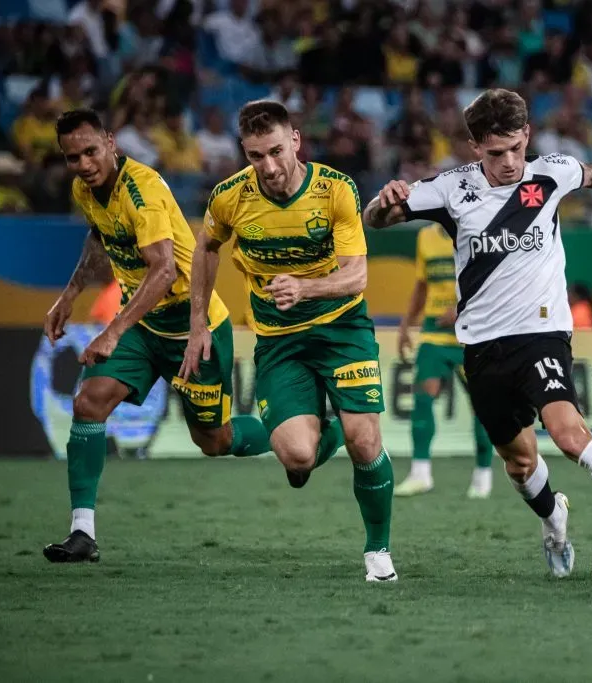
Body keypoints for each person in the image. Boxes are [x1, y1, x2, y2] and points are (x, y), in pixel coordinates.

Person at [363, 88, 592, 583]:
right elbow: (375, 220)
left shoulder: (551, 172)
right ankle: (554, 520)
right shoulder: (450, 189)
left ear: (527, 135)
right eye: (494, 152)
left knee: (570, 435)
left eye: (515, 148)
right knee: (521, 464)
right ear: (474, 147)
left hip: (543, 332)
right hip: (482, 347)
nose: (508, 162)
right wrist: (385, 200)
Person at [42, 109, 272, 564]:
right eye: (73, 158)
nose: (84, 164)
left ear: (110, 141)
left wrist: (110, 332)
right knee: (89, 402)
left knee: (214, 441)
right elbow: (99, 235)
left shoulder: (140, 189)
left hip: (194, 326)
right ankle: (82, 532)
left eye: (91, 151)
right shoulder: (85, 190)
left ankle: (294, 430)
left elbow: (164, 270)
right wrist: (68, 296)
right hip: (144, 325)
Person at [181, 100, 395, 582]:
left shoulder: (336, 190)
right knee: (298, 456)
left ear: (296, 140)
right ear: (245, 152)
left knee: (367, 442)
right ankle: (327, 428)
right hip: (279, 340)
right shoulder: (229, 197)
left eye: (276, 150)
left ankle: (378, 553)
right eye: (256, 156)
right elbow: (206, 247)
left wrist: (306, 287)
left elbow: (356, 276)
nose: (270, 166)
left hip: (342, 330)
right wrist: (198, 323)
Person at [395, 222, 495, 499]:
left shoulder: (480, 231)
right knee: (423, 398)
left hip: (472, 333)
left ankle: (483, 475)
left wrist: (462, 308)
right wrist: (406, 326)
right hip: (433, 332)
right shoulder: (425, 236)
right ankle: (420, 473)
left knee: (483, 406)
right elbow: (422, 284)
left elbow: (495, 281)